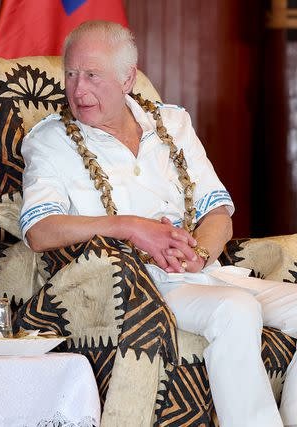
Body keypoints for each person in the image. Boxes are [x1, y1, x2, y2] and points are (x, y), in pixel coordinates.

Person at [20, 20, 297, 427]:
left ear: (127, 77)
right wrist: (130, 227)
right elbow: (39, 230)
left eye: (92, 75)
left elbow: (217, 211)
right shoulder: (50, 141)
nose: (78, 90)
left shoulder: (172, 123)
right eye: (72, 75)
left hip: (201, 273)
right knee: (235, 311)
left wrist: (199, 254)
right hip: (133, 285)